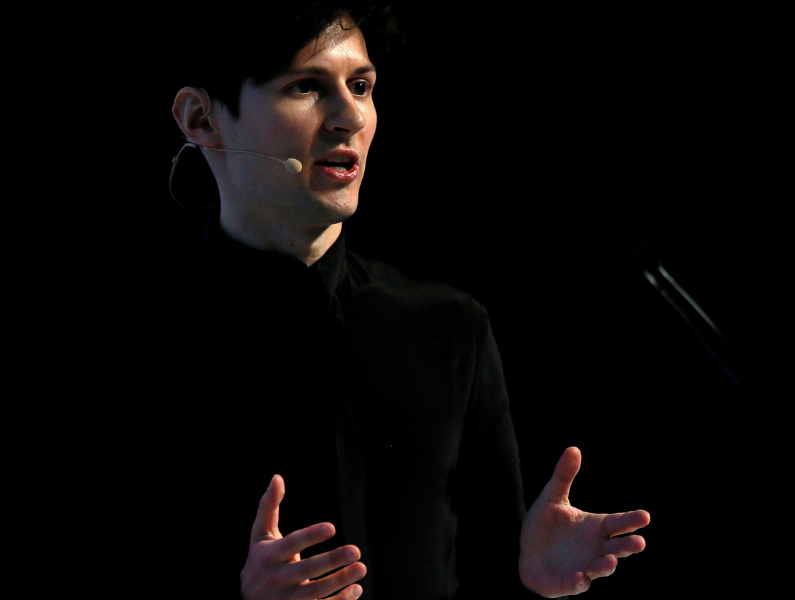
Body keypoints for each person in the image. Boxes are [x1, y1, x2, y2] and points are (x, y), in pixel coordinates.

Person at [157, 3, 650, 598]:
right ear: (201, 118)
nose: (349, 117)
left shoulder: (447, 324)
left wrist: (528, 575)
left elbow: (485, 561)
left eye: (361, 87)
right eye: (307, 87)